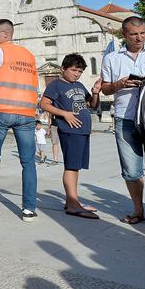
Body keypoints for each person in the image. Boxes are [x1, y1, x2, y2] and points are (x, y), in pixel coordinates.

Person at [0, 19, 39, 222]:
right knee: (28, 162)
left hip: (1, 111)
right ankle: (29, 209)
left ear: (5, 34)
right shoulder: (28, 55)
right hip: (26, 113)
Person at [100, 16, 145, 225]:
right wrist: (119, 84)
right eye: (133, 34)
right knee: (131, 170)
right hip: (126, 118)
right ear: (124, 35)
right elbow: (105, 88)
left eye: (143, 33)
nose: (139, 38)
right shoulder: (112, 58)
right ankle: (137, 210)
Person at [40, 54, 101, 219]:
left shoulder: (80, 85)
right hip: (70, 130)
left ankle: (72, 200)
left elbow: (92, 105)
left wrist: (95, 93)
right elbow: (44, 104)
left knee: (76, 166)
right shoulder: (56, 85)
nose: (77, 74)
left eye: (80, 71)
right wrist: (64, 114)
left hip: (82, 131)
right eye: (74, 70)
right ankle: (73, 204)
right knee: (71, 166)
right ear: (63, 69)